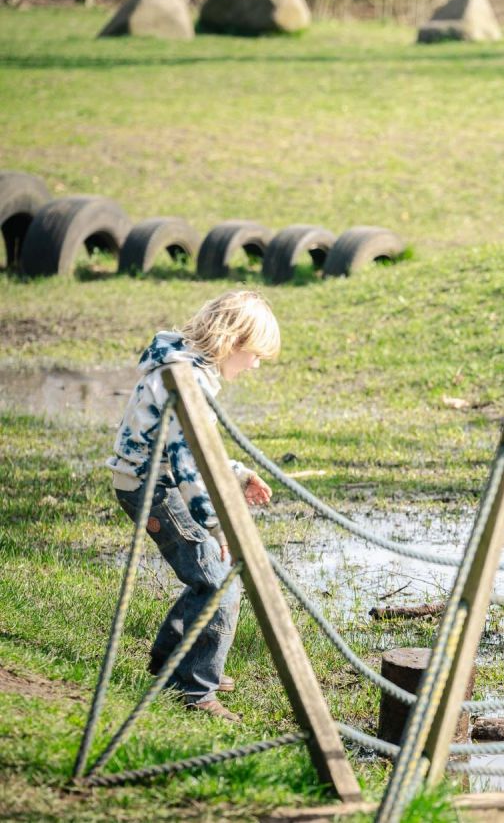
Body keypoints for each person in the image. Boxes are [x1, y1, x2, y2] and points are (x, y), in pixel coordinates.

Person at [107, 290, 280, 722]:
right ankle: (195, 690)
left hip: (156, 481)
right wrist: (220, 529)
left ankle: (175, 663)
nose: (257, 365)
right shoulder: (188, 382)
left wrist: (238, 474)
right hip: (153, 489)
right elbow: (189, 469)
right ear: (233, 341)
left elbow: (198, 448)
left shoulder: (186, 368)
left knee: (210, 577)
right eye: (255, 354)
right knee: (220, 580)